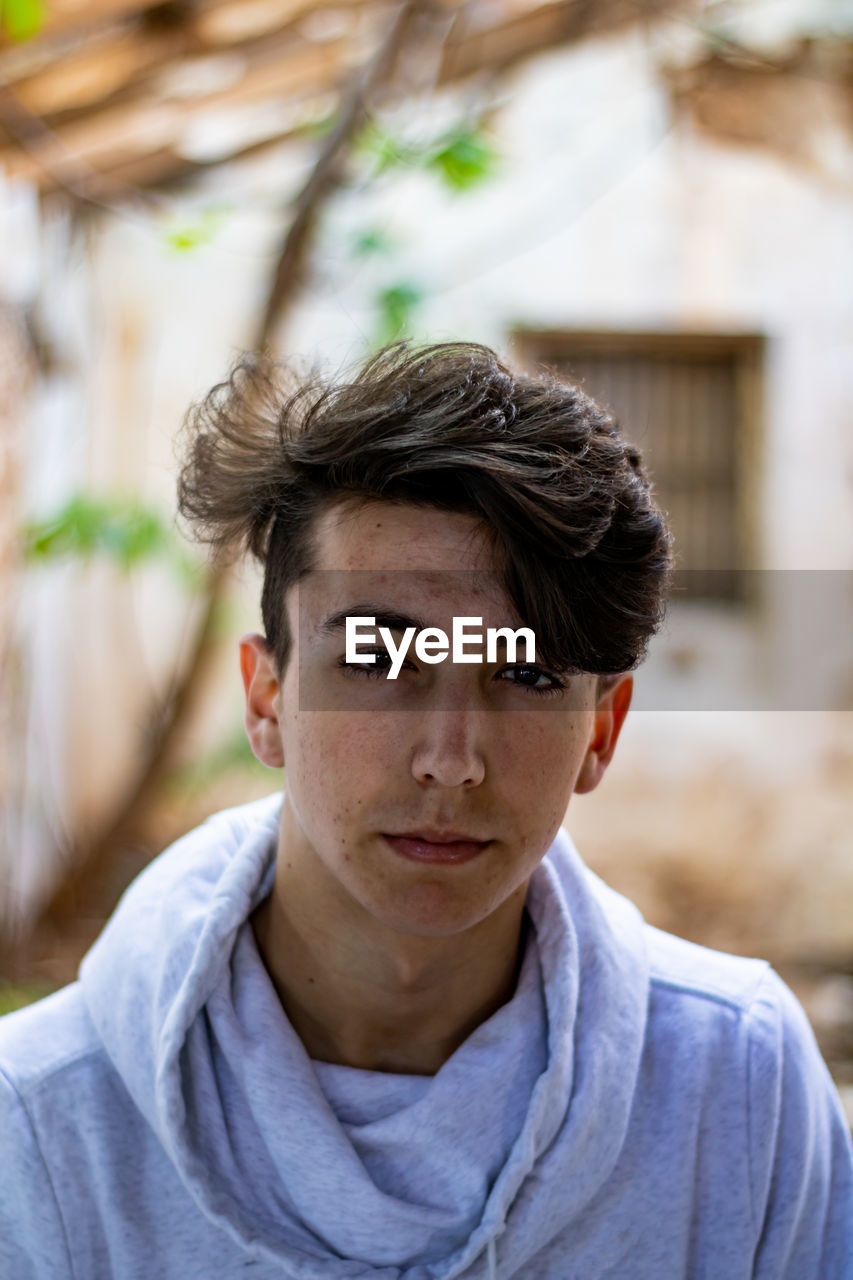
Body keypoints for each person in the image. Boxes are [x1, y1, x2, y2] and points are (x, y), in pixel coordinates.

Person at [1, 341, 850, 1278]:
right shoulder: (40, 1122)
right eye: (375, 660)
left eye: (526, 674)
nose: (450, 761)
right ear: (265, 698)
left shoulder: (737, 1090)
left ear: (600, 730)